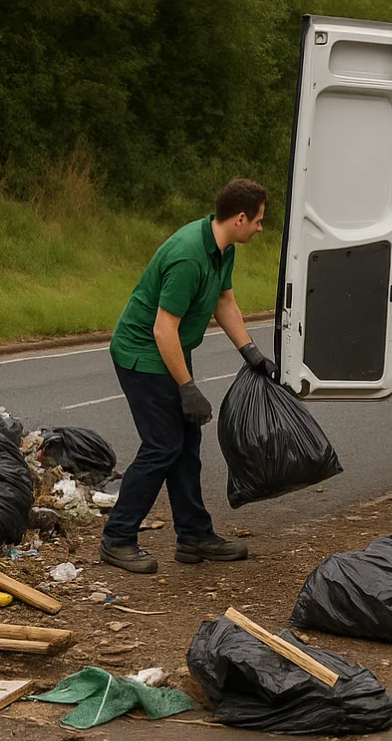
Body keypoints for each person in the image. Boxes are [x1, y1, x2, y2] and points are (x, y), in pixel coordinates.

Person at [100, 178, 276, 574]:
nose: (261, 228)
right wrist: (187, 387)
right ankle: (117, 539)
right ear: (240, 218)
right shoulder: (188, 257)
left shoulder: (221, 247)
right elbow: (163, 329)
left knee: (187, 445)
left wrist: (250, 351)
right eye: (259, 221)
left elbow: (224, 301)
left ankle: (194, 535)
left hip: (171, 351)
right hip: (143, 354)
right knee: (162, 446)